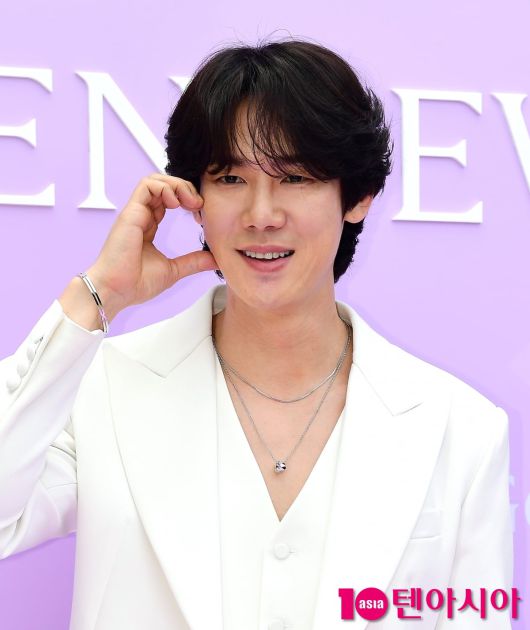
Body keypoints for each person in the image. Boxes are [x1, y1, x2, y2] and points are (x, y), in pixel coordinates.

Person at [0, 38, 513, 630]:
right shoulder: (101, 390)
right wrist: (98, 295)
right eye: (230, 178)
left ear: (358, 198)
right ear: (194, 198)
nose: (261, 215)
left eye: (294, 176)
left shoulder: (461, 429)